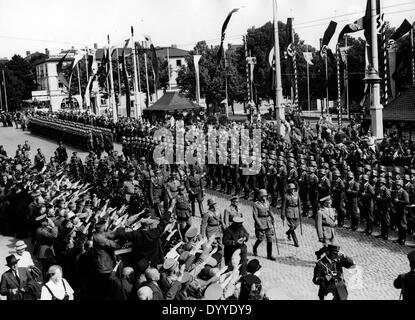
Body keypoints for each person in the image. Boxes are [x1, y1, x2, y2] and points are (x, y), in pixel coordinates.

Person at [252, 189, 276, 261]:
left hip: (268, 221)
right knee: (260, 238)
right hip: (260, 221)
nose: (264, 198)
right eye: (262, 196)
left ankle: (269, 255)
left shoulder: (267, 203)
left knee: (269, 238)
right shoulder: (256, 204)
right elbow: (255, 215)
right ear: (259, 196)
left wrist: (272, 217)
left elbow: (269, 211)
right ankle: (255, 247)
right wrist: (259, 224)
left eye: (265, 196)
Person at [281, 183, 301, 247]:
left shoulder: (297, 194)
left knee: (296, 225)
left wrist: (300, 210)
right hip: (289, 211)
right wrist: (283, 214)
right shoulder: (286, 196)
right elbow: (283, 206)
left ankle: (288, 232)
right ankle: (296, 242)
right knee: (292, 226)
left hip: (296, 211)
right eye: (291, 189)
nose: (292, 190)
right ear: (289, 190)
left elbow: (299, 203)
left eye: (293, 189)